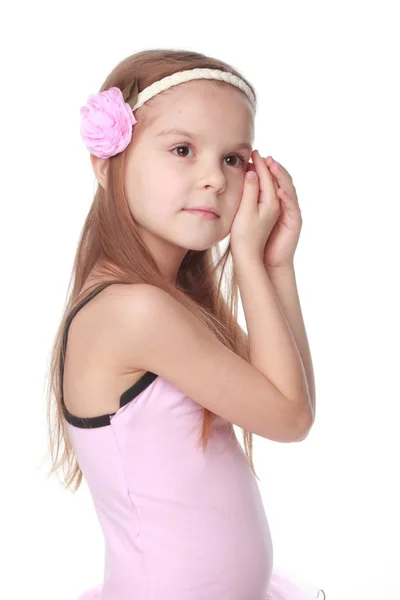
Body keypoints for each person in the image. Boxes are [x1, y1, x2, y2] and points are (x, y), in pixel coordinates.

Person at [45, 48, 326, 599]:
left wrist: (275, 264)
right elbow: (289, 417)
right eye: (182, 149)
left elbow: (292, 398)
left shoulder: (166, 304)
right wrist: (247, 260)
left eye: (233, 159)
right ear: (107, 163)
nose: (214, 180)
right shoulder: (135, 312)